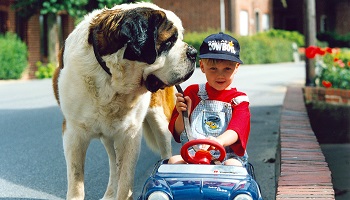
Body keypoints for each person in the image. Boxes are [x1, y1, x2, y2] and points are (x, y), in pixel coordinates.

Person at [168, 32, 250, 166]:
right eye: (213, 68)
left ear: (236, 68)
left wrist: (219, 141)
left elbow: (236, 131)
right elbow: (177, 133)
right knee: (173, 161)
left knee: (232, 165)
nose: (220, 75)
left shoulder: (239, 100)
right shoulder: (192, 92)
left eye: (227, 69)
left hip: (226, 157)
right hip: (194, 156)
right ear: (202, 66)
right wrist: (184, 114)